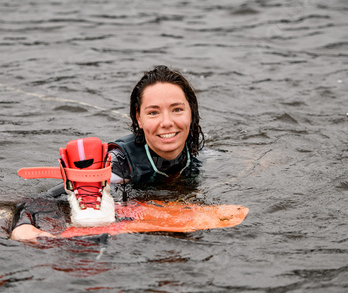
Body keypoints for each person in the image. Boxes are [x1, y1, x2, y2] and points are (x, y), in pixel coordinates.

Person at [10, 65, 205, 241]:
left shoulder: (198, 153)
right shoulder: (118, 165)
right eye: (153, 112)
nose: (167, 122)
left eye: (177, 109)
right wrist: (23, 225)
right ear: (139, 118)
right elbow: (42, 200)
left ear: (191, 113)